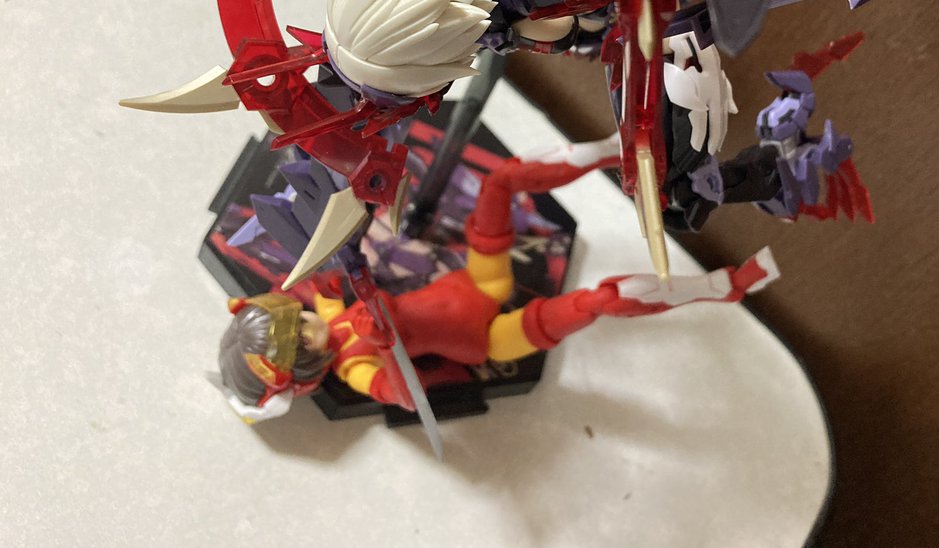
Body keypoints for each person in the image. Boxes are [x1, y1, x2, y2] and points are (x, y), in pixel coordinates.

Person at [217, 156, 778, 422]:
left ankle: (620, 149)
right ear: (304, 369)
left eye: (294, 319)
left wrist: (322, 233)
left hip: (477, 282)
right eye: (300, 339)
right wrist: (386, 345)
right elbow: (406, 397)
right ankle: (721, 287)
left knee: (501, 181)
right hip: (491, 337)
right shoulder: (353, 367)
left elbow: (322, 272)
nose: (308, 323)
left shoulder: (327, 306)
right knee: (598, 300)